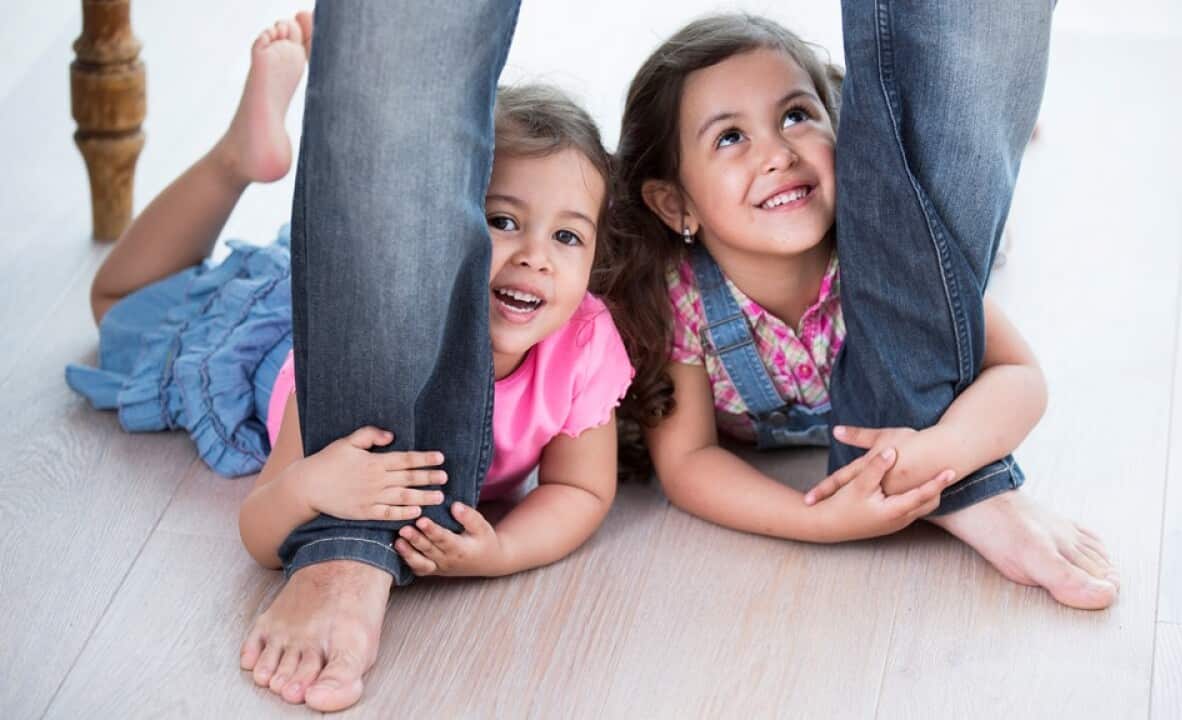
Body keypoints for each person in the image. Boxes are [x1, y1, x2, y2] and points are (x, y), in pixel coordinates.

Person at [68, 10, 630, 710]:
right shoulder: (352, 355)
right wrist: (314, 488)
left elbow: (581, 490)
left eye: (568, 237)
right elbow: (261, 528)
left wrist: (503, 552)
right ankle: (237, 161)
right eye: (502, 220)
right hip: (269, 342)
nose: (534, 257)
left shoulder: (582, 344)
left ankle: (242, 160)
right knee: (116, 302)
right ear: (443, 225)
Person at [607, 11, 1119, 611]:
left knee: (979, 235)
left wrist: (943, 453)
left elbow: (1020, 376)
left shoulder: (885, 251)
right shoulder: (680, 298)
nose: (778, 154)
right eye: (730, 137)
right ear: (675, 204)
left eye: (796, 116)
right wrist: (821, 521)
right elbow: (689, 461)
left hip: (908, 240)